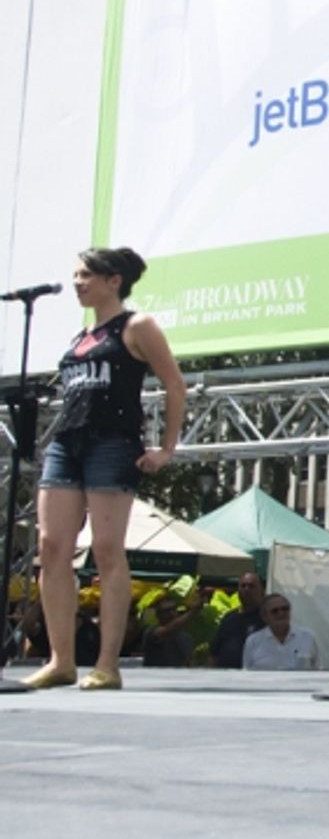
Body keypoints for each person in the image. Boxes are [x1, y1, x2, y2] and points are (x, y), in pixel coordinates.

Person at [24, 247, 186, 691]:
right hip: (67, 440)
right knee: (52, 546)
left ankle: (107, 664)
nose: (78, 283)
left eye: (86, 275)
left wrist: (166, 448)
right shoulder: (81, 335)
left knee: (107, 549)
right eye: (75, 275)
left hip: (114, 443)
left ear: (114, 280)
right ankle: (61, 659)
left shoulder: (137, 326)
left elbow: (175, 384)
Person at [241, 593, 319, 670]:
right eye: (275, 611)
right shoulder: (253, 641)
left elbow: (317, 669)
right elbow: (247, 674)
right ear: (264, 617)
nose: (281, 613)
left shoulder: (307, 637)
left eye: (285, 609)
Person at [141, 595, 199, 668]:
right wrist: (192, 612)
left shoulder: (186, 637)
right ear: (158, 615)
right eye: (166, 611)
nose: (172, 614)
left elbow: (190, 662)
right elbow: (166, 630)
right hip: (155, 677)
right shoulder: (151, 632)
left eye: (174, 610)